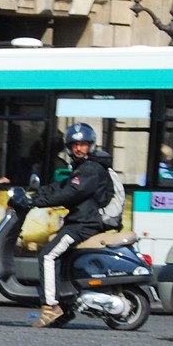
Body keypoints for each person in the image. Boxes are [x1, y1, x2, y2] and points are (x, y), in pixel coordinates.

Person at [26, 122, 112, 328]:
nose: (79, 148)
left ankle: (51, 306)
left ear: (90, 145)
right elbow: (61, 186)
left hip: (84, 224)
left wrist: (39, 202)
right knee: (60, 257)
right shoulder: (82, 169)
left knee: (47, 255)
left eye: (83, 144)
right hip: (81, 221)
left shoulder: (91, 169)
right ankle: (66, 306)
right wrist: (35, 194)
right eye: (75, 145)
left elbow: (72, 193)